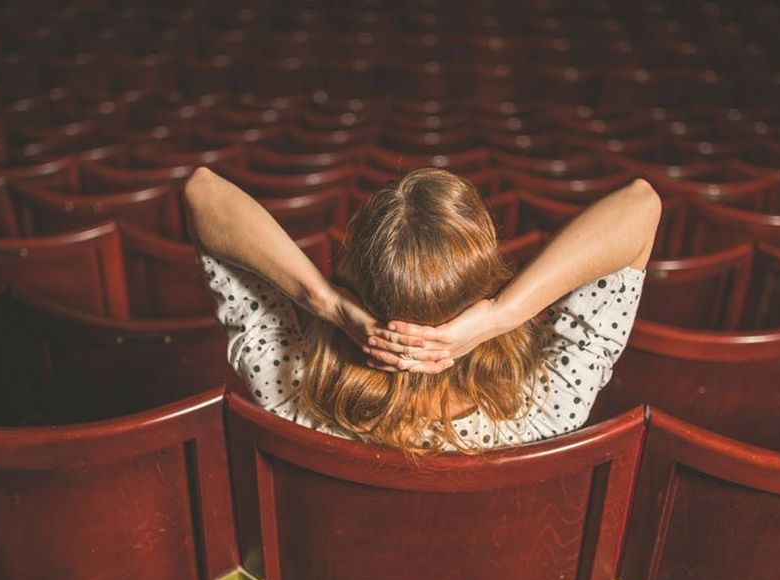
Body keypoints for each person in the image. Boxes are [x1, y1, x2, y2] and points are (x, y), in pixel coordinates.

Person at [184, 166, 660, 452]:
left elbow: (203, 192)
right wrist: (499, 313)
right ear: (484, 280)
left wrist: (326, 302)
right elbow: (641, 206)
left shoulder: (292, 393)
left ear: (351, 275)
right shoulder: (541, 409)